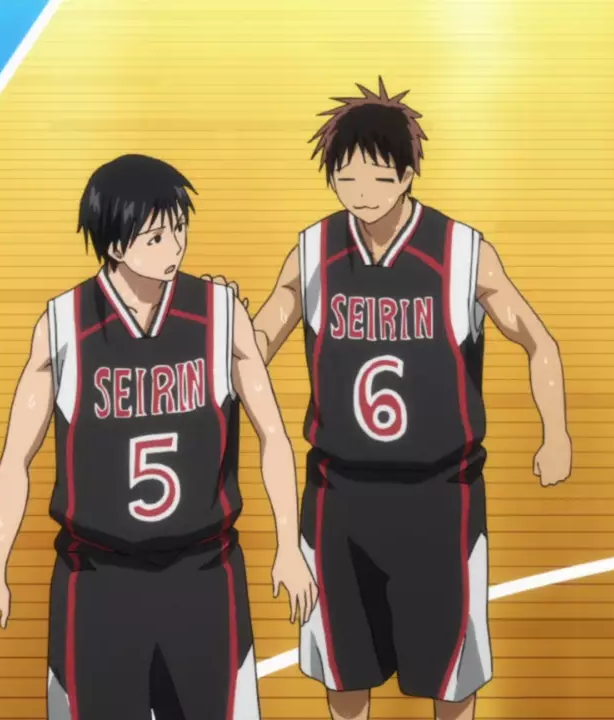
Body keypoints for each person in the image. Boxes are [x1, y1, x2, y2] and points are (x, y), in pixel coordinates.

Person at [211, 79, 573, 720]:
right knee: (345, 673)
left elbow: (537, 340)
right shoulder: (313, 252)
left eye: (377, 178)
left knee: (450, 678)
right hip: (339, 498)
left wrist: (557, 431)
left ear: (407, 176)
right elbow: (260, 343)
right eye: (346, 179)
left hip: (441, 497)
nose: (361, 193)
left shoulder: (462, 252)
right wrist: (229, 329)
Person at [0, 154, 317, 720]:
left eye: (179, 229)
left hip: (204, 574)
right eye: (155, 238)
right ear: (114, 245)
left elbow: (273, 435)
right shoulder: (63, 326)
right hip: (97, 579)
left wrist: (287, 546)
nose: (174, 248)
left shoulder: (221, 314)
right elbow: (15, 461)